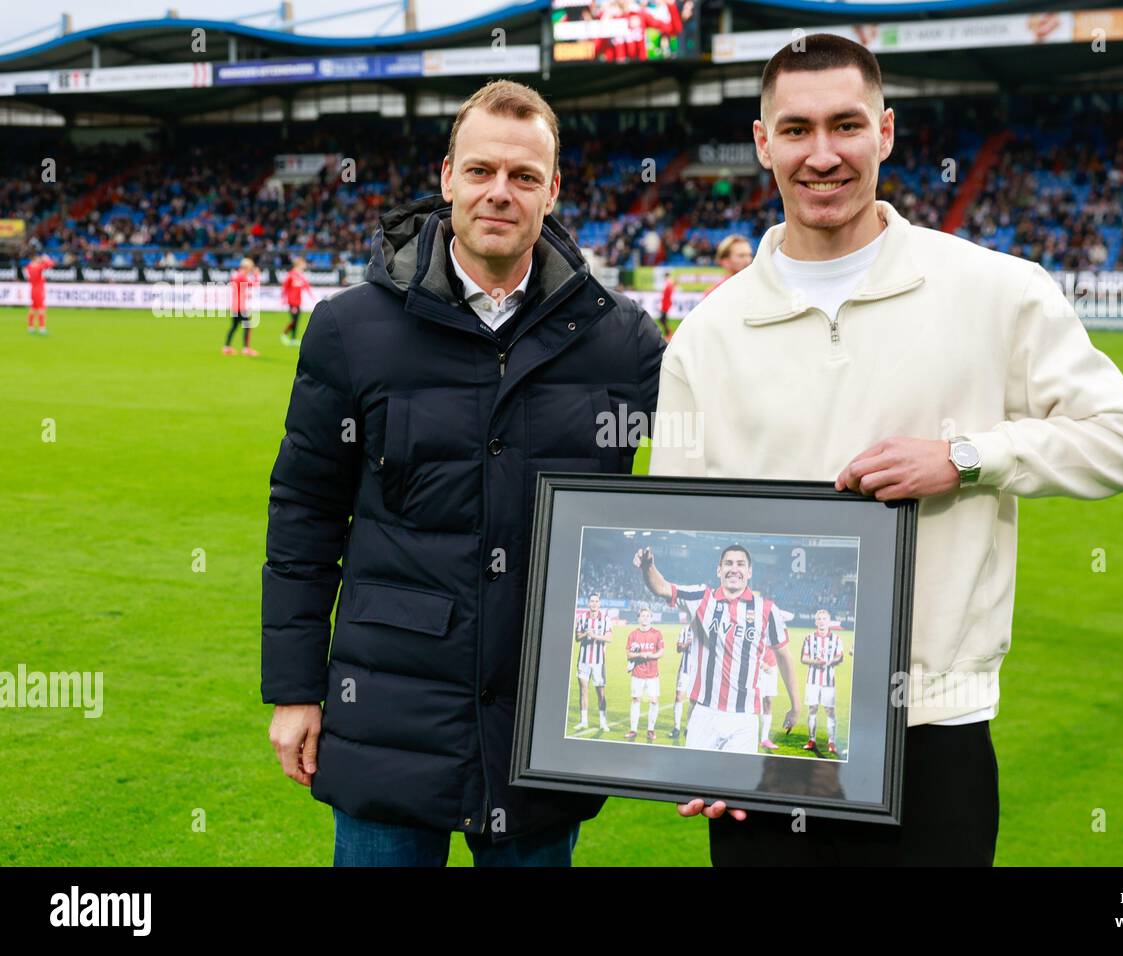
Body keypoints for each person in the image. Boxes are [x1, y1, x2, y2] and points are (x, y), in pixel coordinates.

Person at [649, 35, 1123, 865]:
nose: (823, 155)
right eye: (797, 130)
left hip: (935, 730)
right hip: (767, 750)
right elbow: (682, 530)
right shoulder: (705, 337)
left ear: (885, 132)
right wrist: (702, 734)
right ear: (762, 143)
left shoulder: (996, 290)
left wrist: (965, 457)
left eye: (846, 126)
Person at [261, 79, 664, 867]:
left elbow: (712, 475)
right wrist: (295, 689)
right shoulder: (351, 330)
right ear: (447, 178)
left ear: (553, 189)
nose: (498, 194)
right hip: (384, 716)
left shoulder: (622, 342)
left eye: (522, 177)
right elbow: (304, 514)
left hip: (539, 722)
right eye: (480, 172)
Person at [633, 544, 800, 753]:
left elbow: (784, 657)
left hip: (744, 717)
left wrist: (796, 706)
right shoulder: (702, 597)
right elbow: (663, 588)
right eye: (728, 563)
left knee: (737, 783)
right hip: (704, 713)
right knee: (694, 778)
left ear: (749, 572)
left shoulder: (767, 609)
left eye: (741, 564)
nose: (734, 568)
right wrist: (648, 567)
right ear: (718, 570)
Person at [801, 609, 844, 756]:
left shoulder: (836, 639)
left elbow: (840, 657)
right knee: (812, 709)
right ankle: (811, 740)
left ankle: (831, 742)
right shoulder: (809, 638)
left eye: (824, 619)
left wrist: (831, 661)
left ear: (829, 621)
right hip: (812, 681)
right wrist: (816, 662)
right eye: (818, 619)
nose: (821, 621)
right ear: (815, 622)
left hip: (828, 681)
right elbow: (804, 658)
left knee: (829, 711)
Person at [624, 604, 665, 741]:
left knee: (654, 701)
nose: (645, 618)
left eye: (648, 616)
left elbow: (661, 652)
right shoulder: (633, 634)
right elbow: (629, 654)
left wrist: (650, 656)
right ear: (638, 618)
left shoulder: (657, 634)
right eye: (643, 615)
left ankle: (650, 730)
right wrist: (642, 654)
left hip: (653, 674)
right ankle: (633, 730)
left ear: (651, 618)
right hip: (637, 674)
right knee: (636, 700)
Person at [573, 592, 612, 732]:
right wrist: (585, 634)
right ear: (588, 603)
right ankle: (584, 721)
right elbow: (577, 638)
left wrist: (594, 635)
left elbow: (609, 638)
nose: (594, 603)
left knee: (600, 692)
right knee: (583, 691)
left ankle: (603, 722)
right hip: (583, 661)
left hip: (598, 662)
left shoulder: (606, 619)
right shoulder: (582, 618)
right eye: (592, 601)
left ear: (599, 603)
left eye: (596, 601)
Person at [224, 258, 259, 356]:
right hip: (240, 306)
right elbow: (254, 284)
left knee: (234, 327)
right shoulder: (242, 276)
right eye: (250, 268)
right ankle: (246, 349)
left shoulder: (236, 275)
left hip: (235, 305)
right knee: (247, 327)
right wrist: (256, 275)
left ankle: (227, 347)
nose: (250, 270)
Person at [702, 234, 753, 299]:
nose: (748, 260)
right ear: (725, 261)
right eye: (741, 255)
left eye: (750, 255)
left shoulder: (761, 288)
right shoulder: (713, 294)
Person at [280, 256, 315, 346]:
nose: (305, 266)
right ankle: (284, 334)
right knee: (294, 319)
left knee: (296, 320)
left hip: (298, 302)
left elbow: (307, 287)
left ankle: (293, 339)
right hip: (292, 302)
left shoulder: (301, 276)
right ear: (299, 264)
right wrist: (284, 299)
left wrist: (313, 297)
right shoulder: (291, 275)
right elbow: (285, 287)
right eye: (303, 264)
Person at [24, 252, 53, 335]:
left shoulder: (29, 267)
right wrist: (46, 258)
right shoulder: (38, 267)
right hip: (38, 290)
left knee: (33, 308)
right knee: (41, 309)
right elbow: (50, 264)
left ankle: (30, 327)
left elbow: (30, 266)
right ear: (35, 260)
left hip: (33, 289)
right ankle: (42, 328)